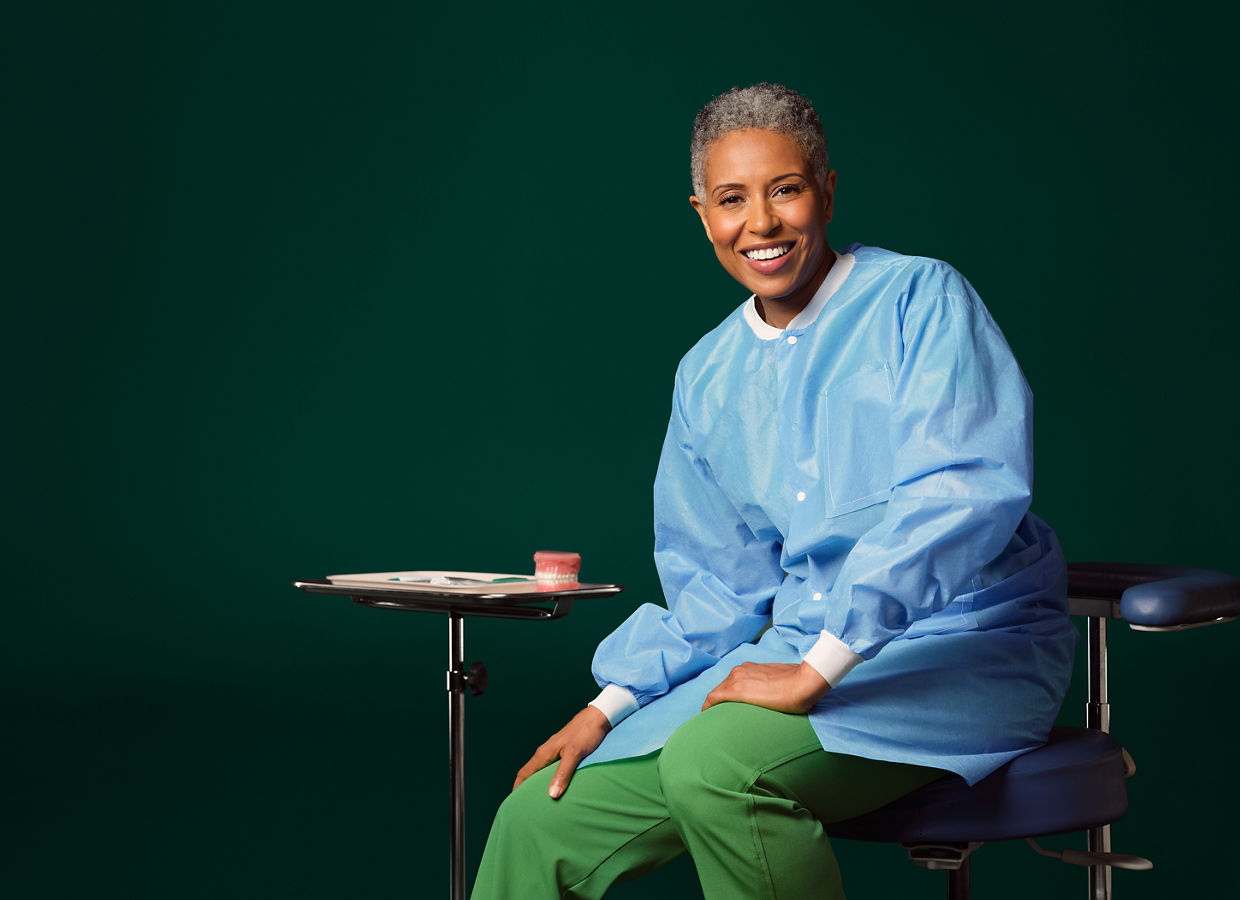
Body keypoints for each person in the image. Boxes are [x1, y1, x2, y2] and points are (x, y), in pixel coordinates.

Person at [471, 83, 1077, 900]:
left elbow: (964, 492)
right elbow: (719, 585)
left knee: (713, 763)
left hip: (962, 649)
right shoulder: (706, 374)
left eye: (785, 189)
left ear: (826, 190)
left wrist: (819, 667)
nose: (761, 224)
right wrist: (608, 708)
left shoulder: (919, 300)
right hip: (788, 658)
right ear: (700, 214)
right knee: (537, 819)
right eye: (731, 200)